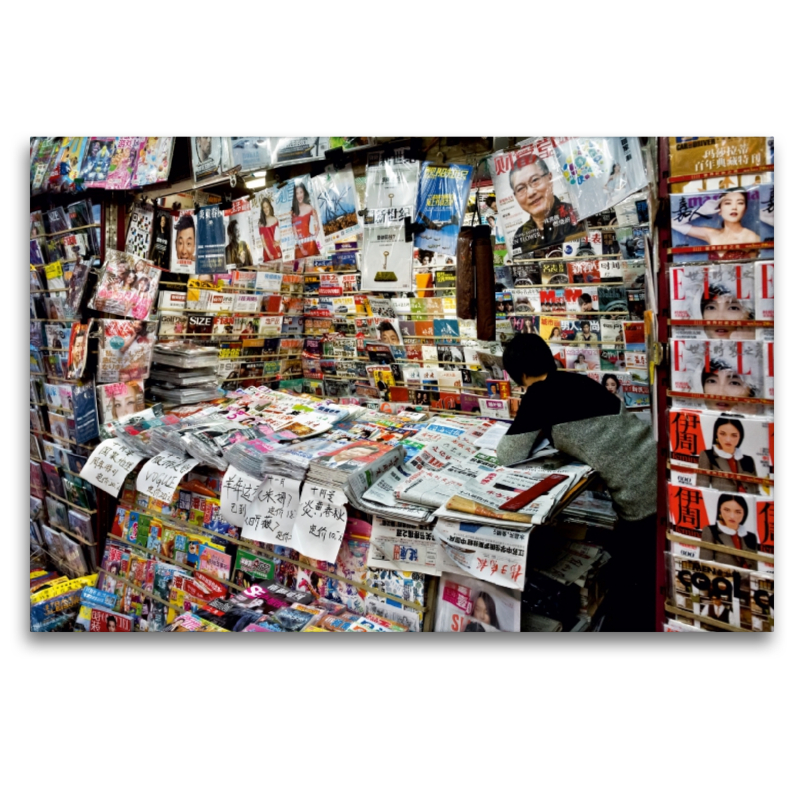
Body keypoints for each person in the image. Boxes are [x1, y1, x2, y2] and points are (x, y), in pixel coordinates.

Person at [496, 334, 657, 631]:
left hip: (640, 499)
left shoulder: (539, 395)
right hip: (656, 465)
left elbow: (507, 454)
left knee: (635, 586)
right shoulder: (578, 380)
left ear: (520, 374)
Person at [508, 154, 582, 254]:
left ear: (550, 178)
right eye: (520, 188)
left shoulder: (574, 215)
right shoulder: (521, 234)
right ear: (515, 196)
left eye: (535, 180)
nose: (530, 193)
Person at [672, 188, 761, 254]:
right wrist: (702, 211)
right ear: (720, 210)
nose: (734, 207)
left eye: (740, 203)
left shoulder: (753, 238)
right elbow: (674, 223)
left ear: (745, 209)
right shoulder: (711, 234)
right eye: (728, 203)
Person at [696, 417, 759, 493]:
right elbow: (701, 489)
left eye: (734, 435)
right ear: (716, 434)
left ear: (740, 437)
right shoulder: (708, 456)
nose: (728, 439)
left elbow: (756, 492)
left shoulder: (748, 460)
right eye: (722, 434)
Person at [700, 493, 758, 569]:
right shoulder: (711, 531)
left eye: (738, 512)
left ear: (744, 513)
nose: (732, 516)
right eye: (727, 510)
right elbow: (705, 564)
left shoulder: (751, 536)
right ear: (719, 510)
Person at [291, 182, 320, 258]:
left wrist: (313, 238)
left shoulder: (310, 208)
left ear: (304, 193)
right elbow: (295, 233)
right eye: (297, 193)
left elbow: (318, 226)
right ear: (295, 196)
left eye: (301, 192)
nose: (299, 195)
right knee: (299, 267)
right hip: (299, 247)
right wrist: (301, 248)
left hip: (311, 244)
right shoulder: (293, 213)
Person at [258, 197, 282, 262]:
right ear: (262, 209)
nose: (266, 209)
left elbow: (279, 236)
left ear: (270, 207)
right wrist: (269, 254)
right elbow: (263, 242)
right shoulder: (261, 223)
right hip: (267, 252)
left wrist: (279, 243)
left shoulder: (275, 220)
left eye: (267, 206)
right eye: (264, 207)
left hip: (277, 251)